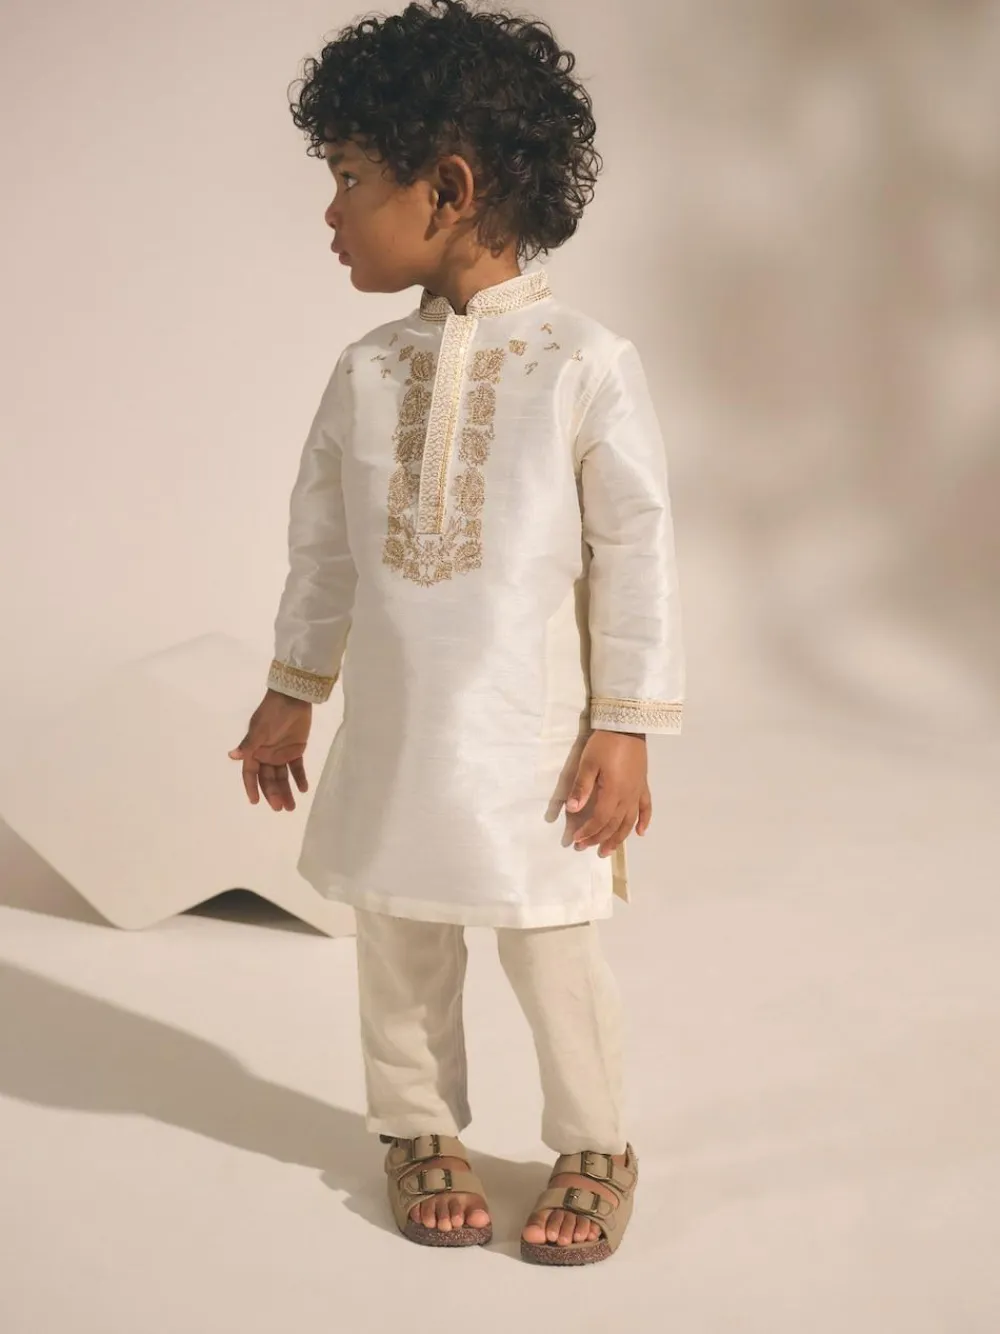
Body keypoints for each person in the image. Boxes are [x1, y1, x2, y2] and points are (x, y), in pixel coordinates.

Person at [228, 0, 684, 1266]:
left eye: (349, 177)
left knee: (551, 942)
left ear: (449, 187)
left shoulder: (586, 362)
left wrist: (625, 724)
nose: (329, 212)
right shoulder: (367, 370)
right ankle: (415, 1122)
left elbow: (636, 550)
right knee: (400, 931)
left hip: (534, 743)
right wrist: (292, 689)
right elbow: (323, 548)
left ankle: (595, 1139)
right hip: (398, 727)